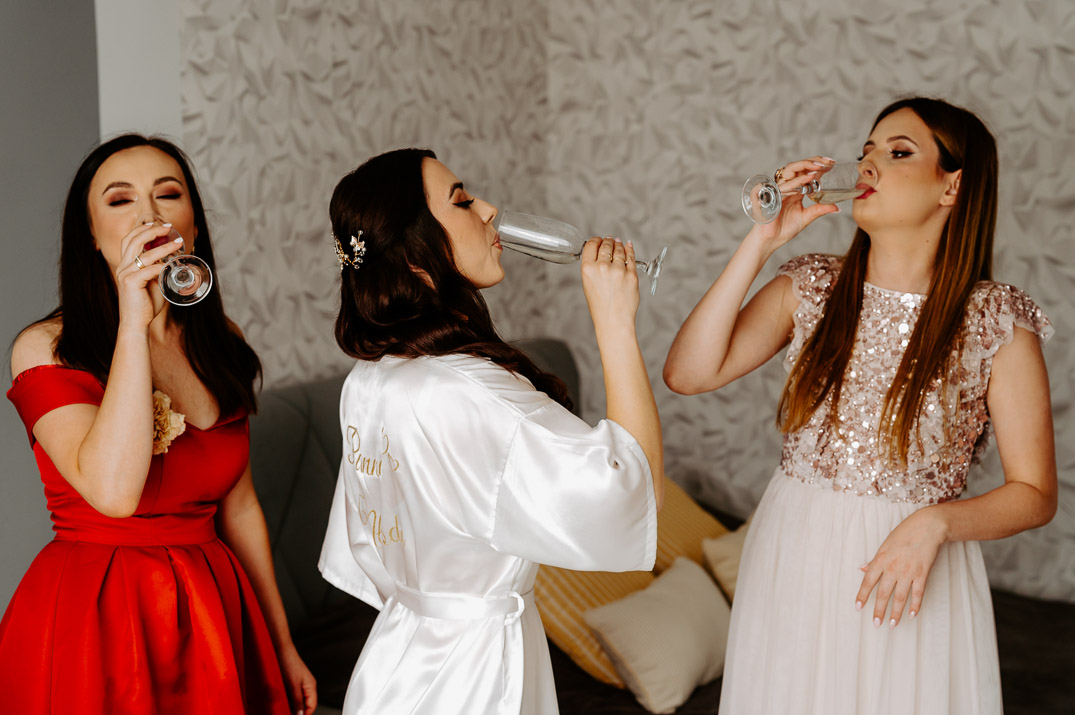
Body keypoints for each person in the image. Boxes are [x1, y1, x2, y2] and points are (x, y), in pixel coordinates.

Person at [664, 97, 1056, 714]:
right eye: (866, 150)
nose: (868, 164)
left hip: (912, 575)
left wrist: (935, 524)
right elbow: (688, 374)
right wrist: (762, 239)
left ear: (952, 186)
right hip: (793, 554)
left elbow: (1035, 493)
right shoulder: (811, 285)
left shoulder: (993, 319)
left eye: (898, 152)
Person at [318, 148, 664, 715]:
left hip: (395, 658)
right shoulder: (467, 393)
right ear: (414, 251)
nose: (489, 210)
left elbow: (371, 547)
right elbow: (631, 489)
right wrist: (615, 322)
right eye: (461, 201)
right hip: (471, 677)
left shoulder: (368, 379)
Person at [1, 134, 317, 714]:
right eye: (120, 200)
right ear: (91, 235)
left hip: (213, 611)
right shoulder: (46, 348)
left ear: (192, 226)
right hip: (99, 618)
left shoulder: (221, 341)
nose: (149, 215)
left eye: (167, 194)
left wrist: (281, 645)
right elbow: (115, 494)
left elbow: (240, 508)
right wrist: (133, 323)